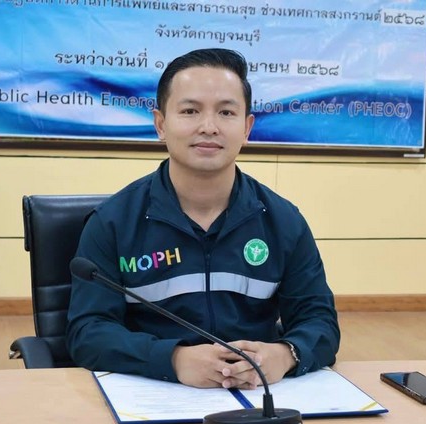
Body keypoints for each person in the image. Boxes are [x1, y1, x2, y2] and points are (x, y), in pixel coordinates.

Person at [66, 48, 340, 390]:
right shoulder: (113, 223)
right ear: (161, 124)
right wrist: (172, 359)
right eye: (190, 111)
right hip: (153, 392)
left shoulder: (283, 221)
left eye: (226, 112)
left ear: (247, 127)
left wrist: (285, 355)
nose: (208, 127)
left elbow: (320, 321)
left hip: (256, 395)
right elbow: (88, 332)